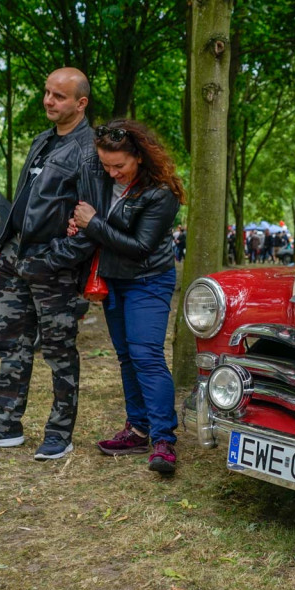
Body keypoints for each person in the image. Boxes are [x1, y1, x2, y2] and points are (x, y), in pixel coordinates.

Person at [0, 67, 105, 460]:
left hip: (52, 269)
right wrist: (7, 250)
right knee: (12, 345)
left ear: (81, 103)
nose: (48, 101)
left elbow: (93, 222)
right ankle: (5, 424)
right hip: (14, 261)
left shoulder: (90, 151)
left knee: (58, 351)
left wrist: (56, 260)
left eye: (59, 96)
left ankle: (59, 433)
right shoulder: (42, 141)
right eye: (47, 93)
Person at [71, 119, 185, 474]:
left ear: (139, 156)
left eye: (118, 165)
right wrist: (76, 222)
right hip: (114, 280)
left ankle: (164, 440)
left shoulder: (161, 193)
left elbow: (139, 247)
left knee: (146, 355)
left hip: (148, 279)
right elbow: (94, 219)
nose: (112, 172)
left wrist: (92, 223)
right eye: (106, 165)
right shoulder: (103, 181)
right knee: (125, 356)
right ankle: (137, 429)